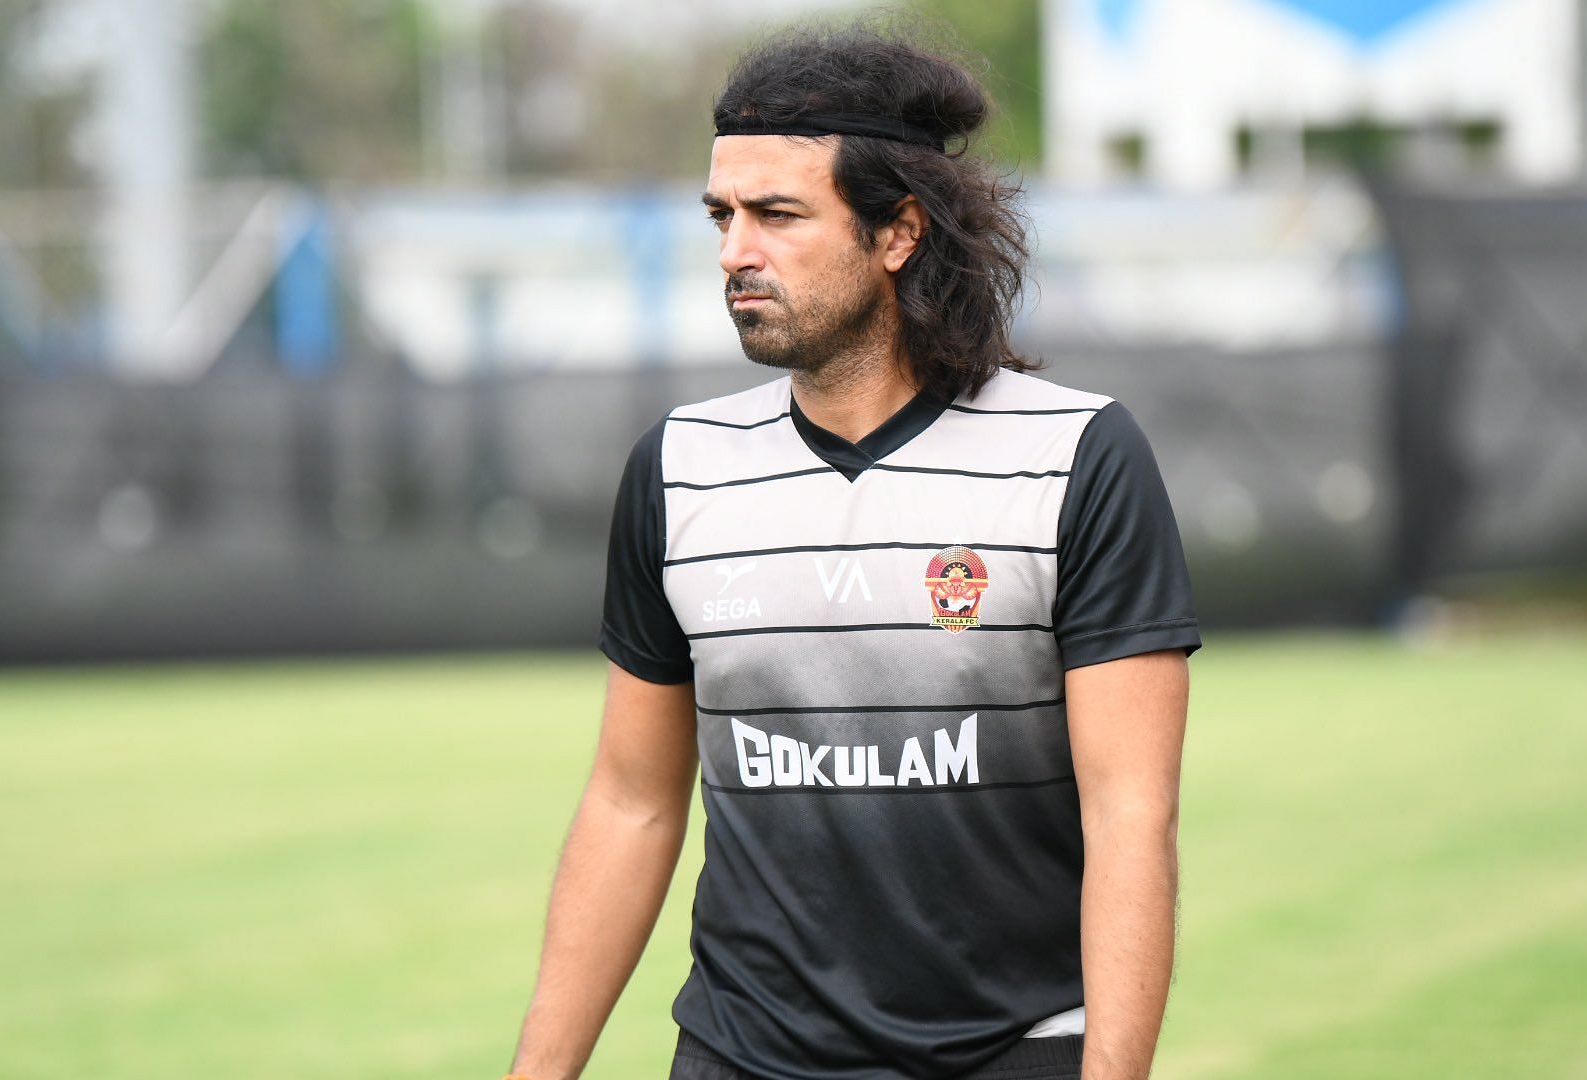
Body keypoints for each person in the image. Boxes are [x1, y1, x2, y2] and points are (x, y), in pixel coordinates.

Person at [508, 17, 1200, 1080]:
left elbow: (1131, 817)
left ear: (897, 233)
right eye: (722, 216)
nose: (737, 250)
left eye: (778, 214)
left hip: (1013, 1053)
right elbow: (633, 800)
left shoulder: (1075, 456)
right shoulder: (680, 468)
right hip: (740, 1056)